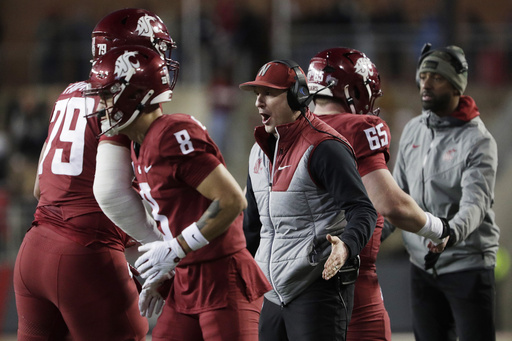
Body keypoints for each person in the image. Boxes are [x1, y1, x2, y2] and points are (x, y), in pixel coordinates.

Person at [85, 45, 271, 341]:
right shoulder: (138, 143)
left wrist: (177, 249)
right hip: (186, 278)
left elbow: (232, 200)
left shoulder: (171, 134)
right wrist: (171, 266)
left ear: (136, 95)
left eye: (107, 95)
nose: (101, 104)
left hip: (222, 278)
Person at [13, 8, 178, 340]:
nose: (159, 59)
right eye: (152, 48)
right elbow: (111, 192)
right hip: (84, 253)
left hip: (33, 250)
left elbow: (38, 188)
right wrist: (161, 247)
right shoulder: (120, 96)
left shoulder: (70, 93)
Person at [306, 47, 451, 341]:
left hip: (289, 285)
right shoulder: (358, 127)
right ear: (351, 90)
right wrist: (437, 228)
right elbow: (388, 203)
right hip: (349, 286)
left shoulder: (285, 130)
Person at [240, 59, 378, 341]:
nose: (259, 102)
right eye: (257, 94)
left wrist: (347, 247)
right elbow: (253, 226)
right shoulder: (258, 152)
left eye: (269, 93)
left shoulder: (325, 147)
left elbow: (363, 210)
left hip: (317, 287)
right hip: (273, 294)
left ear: (296, 96)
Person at [386, 43, 500, 341]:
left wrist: (451, 231)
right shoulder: (413, 130)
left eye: (436, 77)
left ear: (455, 85)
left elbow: (475, 205)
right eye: (423, 75)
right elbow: (396, 195)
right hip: (421, 266)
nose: (426, 82)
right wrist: (366, 237)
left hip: (467, 265)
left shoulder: (479, 141)